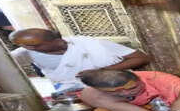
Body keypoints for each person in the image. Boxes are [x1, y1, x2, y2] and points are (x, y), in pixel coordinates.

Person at [9, 28, 150, 92]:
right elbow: (4, 64)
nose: (30, 48)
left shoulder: (91, 44)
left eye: (35, 45)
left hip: (111, 86)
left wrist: (102, 71)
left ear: (57, 41)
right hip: (68, 90)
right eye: (25, 46)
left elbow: (141, 58)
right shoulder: (26, 52)